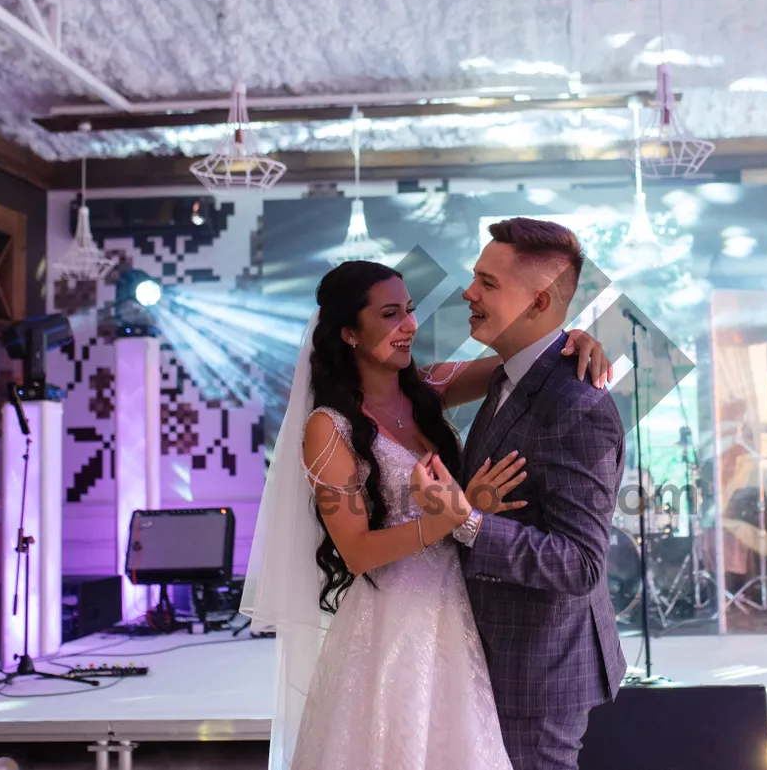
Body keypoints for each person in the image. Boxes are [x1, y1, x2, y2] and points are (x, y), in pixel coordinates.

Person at [240, 257, 614, 770]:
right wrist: (453, 516)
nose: (409, 326)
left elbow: (527, 361)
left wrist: (575, 339)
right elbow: (355, 552)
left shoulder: (426, 389)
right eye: (390, 315)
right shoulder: (327, 429)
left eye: (410, 311)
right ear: (348, 333)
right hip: (396, 622)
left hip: (461, 607)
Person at [418, 217, 627, 770]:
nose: (469, 292)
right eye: (474, 278)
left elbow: (581, 564)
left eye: (488, 282)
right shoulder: (507, 376)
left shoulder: (577, 406)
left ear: (538, 303)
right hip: (485, 652)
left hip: (537, 670)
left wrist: (466, 521)